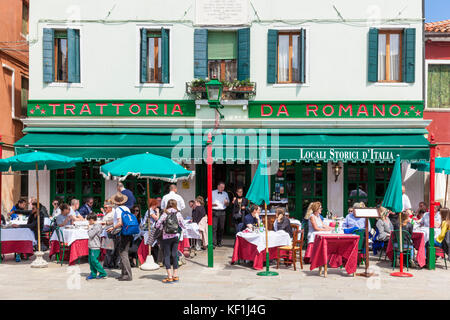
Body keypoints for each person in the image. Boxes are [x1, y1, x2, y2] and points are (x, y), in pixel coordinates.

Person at [155, 199, 186, 284]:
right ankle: (175, 275)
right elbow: (183, 225)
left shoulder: (165, 213)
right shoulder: (178, 213)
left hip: (166, 237)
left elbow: (158, 224)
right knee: (174, 254)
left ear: (167, 205)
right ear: (175, 205)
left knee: (167, 255)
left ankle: (169, 277)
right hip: (175, 236)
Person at [107, 192, 133, 281]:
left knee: (123, 254)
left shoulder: (118, 210)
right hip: (128, 232)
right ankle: (123, 274)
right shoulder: (127, 208)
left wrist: (112, 228)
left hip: (122, 233)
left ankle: (128, 275)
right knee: (123, 253)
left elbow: (120, 222)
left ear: (116, 202)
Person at [86, 213, 108, 280]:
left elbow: (90, 235)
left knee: (94, 260)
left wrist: (89, 228)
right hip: (91, 245)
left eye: (89, 220)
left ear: (92, 220)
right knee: (91, 260)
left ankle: (103, 273)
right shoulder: (95, 226)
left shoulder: (96, 226)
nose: (89, 222)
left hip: (95, 246)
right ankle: (93, 273)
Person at [102, 201, 120, 269]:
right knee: (111, 250)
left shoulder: (114, 213)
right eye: (104, 207)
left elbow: (116, 221)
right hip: (108, 232)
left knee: (110, 250)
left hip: (112, 232)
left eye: (106, 207)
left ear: (110, 207)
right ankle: (111, 264)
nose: (105, 209)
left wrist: (107, 223)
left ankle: (107, 265)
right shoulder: (108, 212)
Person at [211, 182, 229, 247]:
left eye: (223, 187)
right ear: (218, 186)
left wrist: (226, 203)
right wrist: (213, 204)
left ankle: (219, 242)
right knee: (214, 228)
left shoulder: (225, 193)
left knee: (221, 228)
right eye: (221, 187)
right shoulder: (212, 192)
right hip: (214, 211)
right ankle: (213, 243)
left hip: (222, 212)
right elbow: (207, 203)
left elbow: (228, 204)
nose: (222, 188)